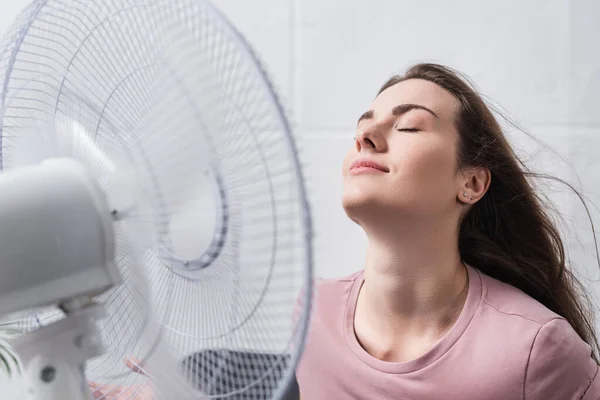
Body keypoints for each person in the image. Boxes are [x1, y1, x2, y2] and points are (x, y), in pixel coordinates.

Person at [294, 63, 600, 399]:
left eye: (409, 127)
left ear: (471, 183)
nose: (364, 138)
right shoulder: (311, 315)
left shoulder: (537, 348)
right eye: (361, 128)